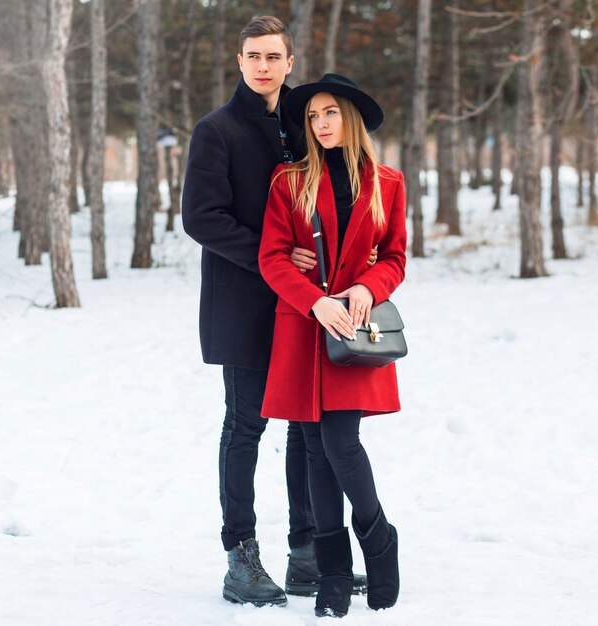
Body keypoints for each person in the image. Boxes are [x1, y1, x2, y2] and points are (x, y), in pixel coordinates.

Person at [181, 18, 367, 607]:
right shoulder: (217, 130)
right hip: (244, 303)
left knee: (306, 428)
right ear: (239, 62)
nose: (263, 66)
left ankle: (306, 553)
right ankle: (241, 556)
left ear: (291, 63)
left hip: (308, 304)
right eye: (253, 56)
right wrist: (270, 253)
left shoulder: (307, 122)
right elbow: (201, 218)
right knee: (245, 427)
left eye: (274, 57)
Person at [258, 74, 406, 618]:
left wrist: (369, 285)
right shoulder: (287, 180)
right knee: (316, 448)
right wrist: (312, 301)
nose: (320, 124)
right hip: (304, 325)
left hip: (356, 331)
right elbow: (272, 256)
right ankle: (335, 575)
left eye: (330, 114)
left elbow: (395, 256)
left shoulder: (388, 182)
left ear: (352, 118)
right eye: (313, 116)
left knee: (340, 442)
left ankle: (379, 541)